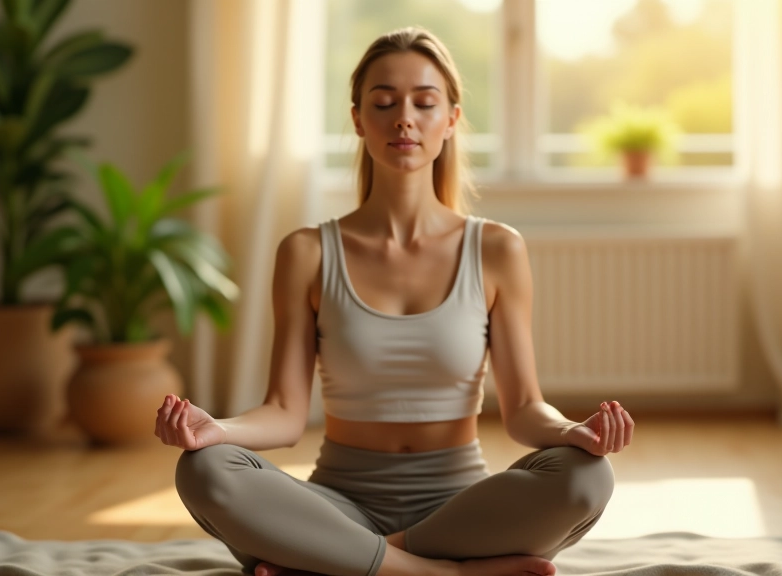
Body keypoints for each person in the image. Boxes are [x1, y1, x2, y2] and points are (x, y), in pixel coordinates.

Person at [155, 26, 633, 576]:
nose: (404, 117)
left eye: (424, 102)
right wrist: (215, 429)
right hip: (338, 503)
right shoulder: (307, 252)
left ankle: (337, 562)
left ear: (450, 119)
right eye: (384, 102)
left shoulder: (497, 249)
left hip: (460, 509)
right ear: (359, 118)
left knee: (588, 475)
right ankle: (443, 572)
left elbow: (524, 409)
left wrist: (571, 432)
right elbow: (285, 415)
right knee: (204, 470)